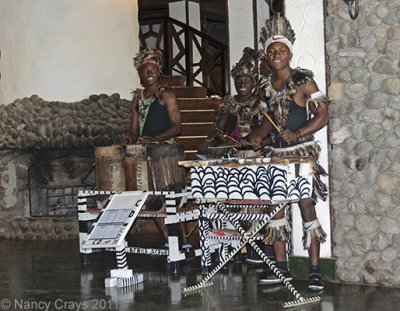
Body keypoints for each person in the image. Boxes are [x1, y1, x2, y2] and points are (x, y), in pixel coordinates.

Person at [247, 14, 331, 291]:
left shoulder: (302, 80)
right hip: (276, 155)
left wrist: (297, 133)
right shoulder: (265, 86)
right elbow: (265, 121)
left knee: (306, 206)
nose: (276, 54)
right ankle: (281, 268)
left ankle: (315, 270)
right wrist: (257, 138)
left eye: (281, 50)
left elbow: (323, 116)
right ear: (267, 56)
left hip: (300, 154)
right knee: (276, 208)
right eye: (271, 51)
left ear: (289, 53)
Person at [130, 48, 191, 251]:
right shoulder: (137, 99)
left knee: (171, 199)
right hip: (144, 154)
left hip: (166, 154)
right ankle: (168, 240)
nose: (149, 73)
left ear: (158, 72)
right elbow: (133, 132)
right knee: (151, 200)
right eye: (145, 70)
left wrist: (155, 139)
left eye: (152, 69)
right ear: (139, 74)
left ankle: (185, 242)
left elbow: (177, 127)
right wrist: (126, 142)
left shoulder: (166, 93)